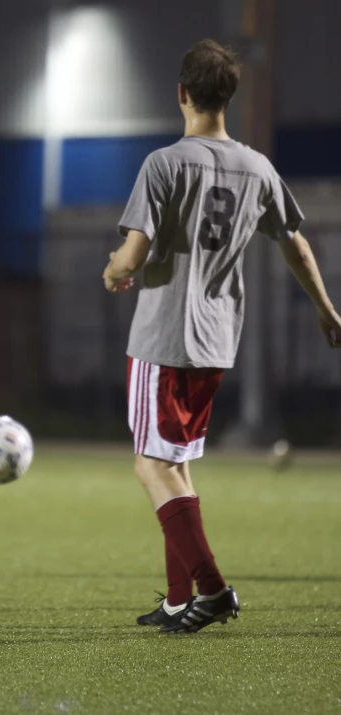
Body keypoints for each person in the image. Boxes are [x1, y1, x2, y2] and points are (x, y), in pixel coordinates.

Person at [103, 39, 341, 634]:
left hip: (162, 337)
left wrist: (113, 269)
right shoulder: (258, 167)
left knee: (150, 465)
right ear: (228, 97)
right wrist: (326, 309)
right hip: (215, 340)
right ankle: (180, 600)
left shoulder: (164, 162)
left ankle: (210, 591)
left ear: (181, 93)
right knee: (177, 464)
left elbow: (132, 256)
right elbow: (296, 243)